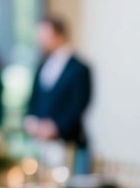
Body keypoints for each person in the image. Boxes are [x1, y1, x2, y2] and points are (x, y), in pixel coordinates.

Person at [24, 16, 92, 151]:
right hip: (39, 143)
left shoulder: (79, 68)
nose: (40, 40)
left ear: (59, 35)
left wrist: (56, 127)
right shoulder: (42, 66)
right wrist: (31, 121)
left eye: (44, 34)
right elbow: (33, 99)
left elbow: (78, 104)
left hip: (68, 142)